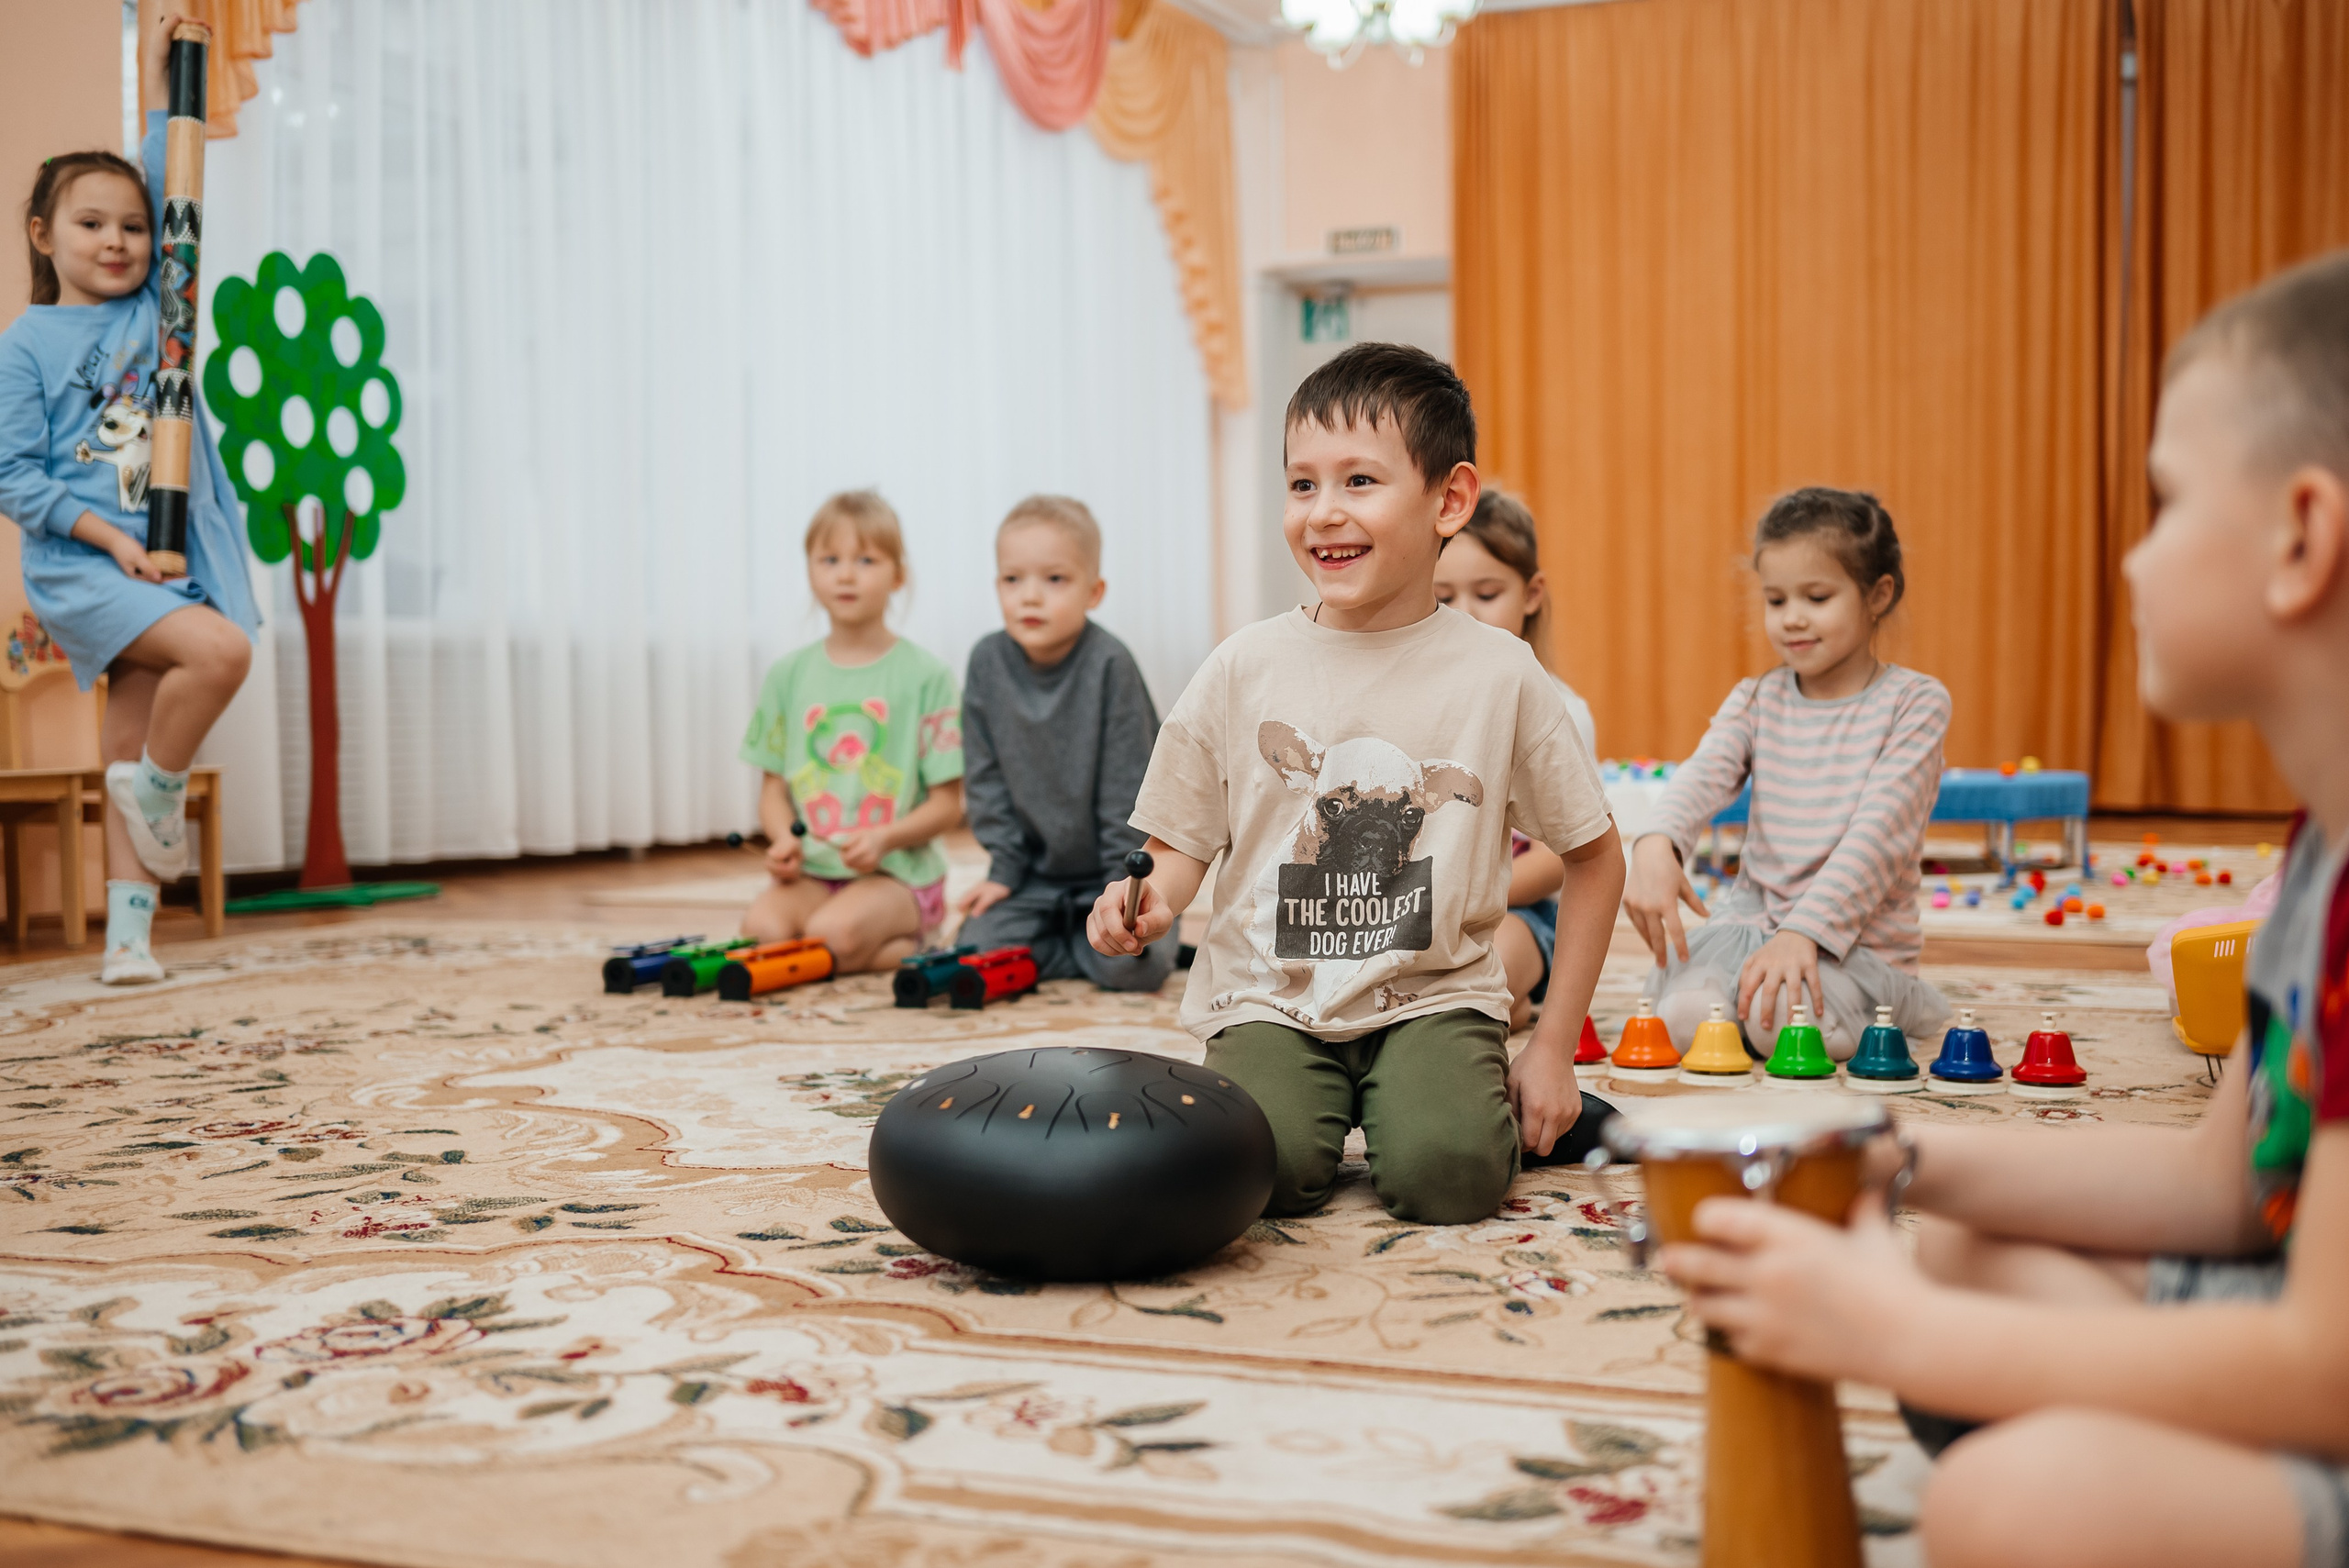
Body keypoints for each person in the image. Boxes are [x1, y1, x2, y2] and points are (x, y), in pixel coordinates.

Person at [1658, 250, 2349, 1568]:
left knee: (2000, 1508)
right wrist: (1891, 1148)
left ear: (2304, 536)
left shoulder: (1910, 708)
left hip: (2329, 1362)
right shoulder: (2321, 855)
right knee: (1966, 1236)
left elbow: (2330, 1370)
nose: (2133, 559)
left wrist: (1893, 1336)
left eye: (2169, 504)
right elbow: (2225, 1178)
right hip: (2289, 1295)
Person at [1086, 342, 1623, 1226]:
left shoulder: (1501, 674)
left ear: (1449, 499)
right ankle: (1333, 1099)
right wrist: (1145, 900)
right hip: (1272, 994)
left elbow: (1596, 857)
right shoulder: (1241, 665)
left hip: (1435, 992)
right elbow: (1179, 843)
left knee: (1448, 1179)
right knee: (1268, 1177)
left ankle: (1461, 1103)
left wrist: (1555, 1046)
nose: (1323, 513)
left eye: (1359, 482)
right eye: (1302, 485)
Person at [0, 4, 259, 985]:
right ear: (44, 233)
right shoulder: (25, 347)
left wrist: (160, 74)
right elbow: (12, 477)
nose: (120, 240)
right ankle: (161, 791)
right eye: (91, 223)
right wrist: (115, 543)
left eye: (134, 227)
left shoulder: (164, 309)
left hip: (165, 546)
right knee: (219, 653)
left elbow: (172, 174)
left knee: (124, 737)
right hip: (86, 560)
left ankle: (127, 943)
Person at [1620, 488, 1952, 1061]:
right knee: (1684, 1020)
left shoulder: (1915, 703)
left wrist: (1805, 932)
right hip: (1752, 930)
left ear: (1878, 594)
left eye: (1817, 597)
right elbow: (1702, 777)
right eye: (1776, 600)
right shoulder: (1756, 699)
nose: (1792, 618)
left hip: (1857, 947)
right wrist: (1657, 841)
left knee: (1784, 1028)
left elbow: (1877, 840)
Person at [738, 489, 963, 972]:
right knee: (762, 931)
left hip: (897, 875)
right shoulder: (787, 675)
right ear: (810, 570)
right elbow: (773, 791)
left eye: (865, 559)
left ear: (898, 575)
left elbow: (948, 805)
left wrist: (884, 839)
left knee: (831, 934)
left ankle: (915, 932)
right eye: (829, 559)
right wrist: (782, 840)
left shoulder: (927, 676)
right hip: (815, 874)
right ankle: (876, 953)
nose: (844, 574)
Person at [955, 495, 1173, 989]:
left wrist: (1122, 889)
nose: (1029, 596)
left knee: (1132, 970)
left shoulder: (1109, 664)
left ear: (1093, 591)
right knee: (976, 951)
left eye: (1054, 579)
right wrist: (1004, 872)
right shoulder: (986, 663)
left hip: (1106, 876)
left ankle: (1083, 942)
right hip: (1031, 879)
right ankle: (1069, 946)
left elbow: (1131, 789)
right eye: (1013, 580)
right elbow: (983, 779)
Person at [1434, 487, 1599, 1030]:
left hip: (1519, 912)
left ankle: (1514, 998)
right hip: (1422, 911)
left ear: (1531, 595)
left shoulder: (1559, 712)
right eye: (1444, 596)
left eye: (1486, 594)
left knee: (1470, 991)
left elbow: (1562, 857)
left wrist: (1471, 894)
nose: (1466, 615)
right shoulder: (1419, 705)